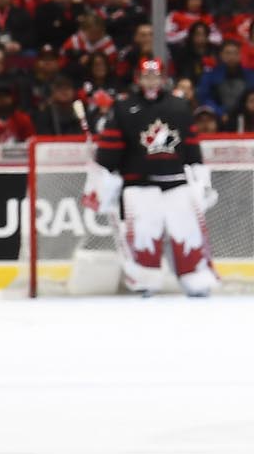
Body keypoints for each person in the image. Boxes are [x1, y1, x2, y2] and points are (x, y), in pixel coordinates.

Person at [83, 58, 219, 296]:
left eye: (155, 76)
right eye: (146, 76)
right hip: (139, 185)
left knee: (188, 232)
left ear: (163, 78)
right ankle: (144, 280)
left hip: (176, 182)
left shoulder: (179, 106)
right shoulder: (124, 108)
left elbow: (191, 147)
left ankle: (196, 278)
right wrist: (102, 177)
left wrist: (201, 178)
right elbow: (111, 150)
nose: (151, 81)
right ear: (138, 78)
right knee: (144, 234)